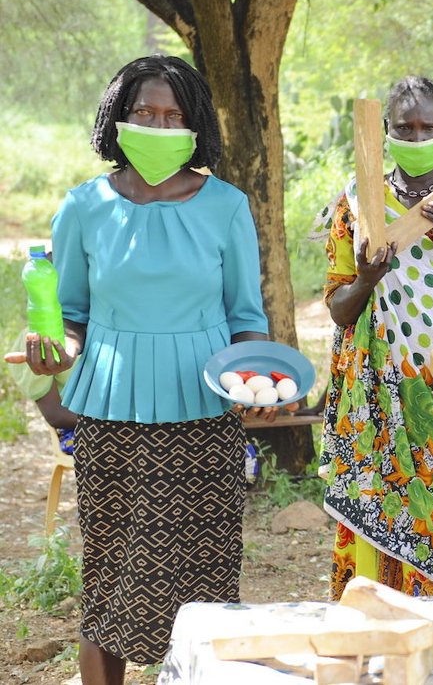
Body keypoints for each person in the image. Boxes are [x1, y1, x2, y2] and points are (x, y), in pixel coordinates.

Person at [26, 55, 278, 684]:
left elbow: (246, 314)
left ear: (196, 127)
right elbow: (73, 313)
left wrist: (260, 379)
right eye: (145, 113)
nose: (159, 125)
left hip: (204, 414)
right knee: (110, 585)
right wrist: (57, 345)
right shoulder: (84, 206)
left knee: (206, 588)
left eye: (175, 115)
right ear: (120, 118)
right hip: (111, 414)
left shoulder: (226, 206)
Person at [314, 76, 433, 600]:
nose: (417, 138)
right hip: (375, 390)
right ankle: (372, 635)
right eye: (405, 128)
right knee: (375, 512)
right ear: (385, 132)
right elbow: (338, 308)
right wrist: (367, 279)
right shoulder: (357, 206)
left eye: (428, 128)